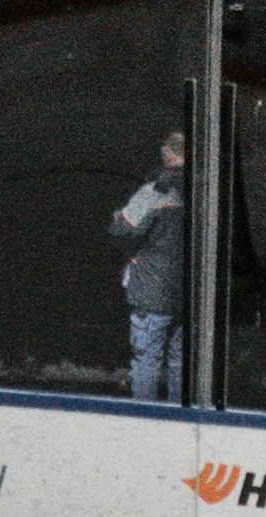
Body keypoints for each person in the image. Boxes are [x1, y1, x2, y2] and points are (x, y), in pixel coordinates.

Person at [110, 127, 187, 402]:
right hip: (188, 295)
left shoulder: (155, 192)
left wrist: (118, 215)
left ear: (166, 154)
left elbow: (121, 230)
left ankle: (146, 422)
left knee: (146, 362)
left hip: (151, 294)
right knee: (181, 364)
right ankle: (181, 423)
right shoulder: (206, 190)